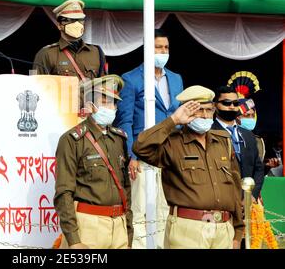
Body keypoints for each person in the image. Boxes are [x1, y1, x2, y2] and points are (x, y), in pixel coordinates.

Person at [134, 85, 244, 249]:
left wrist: (238, 230)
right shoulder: (172, 142)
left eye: (209, 110)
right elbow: (140, 147)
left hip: (223, 230)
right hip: (188, 229)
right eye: (198, 110)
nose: (205, 115)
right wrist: (173, 121)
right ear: (185, 111)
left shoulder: (223, 141)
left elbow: (233, 188)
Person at [113, 29, 183, 248]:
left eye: (166, 48)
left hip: (171, 155)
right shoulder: (131, 79)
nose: (163, 51)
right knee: (141, 211)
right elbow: (124, 121)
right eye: (158, 47)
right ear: (147, 49)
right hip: (142, 156)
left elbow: (179, 118)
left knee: (167, 210)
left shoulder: (176, 78)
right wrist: (131, 155)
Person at [54, 75, 133, 249]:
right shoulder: (72, 139)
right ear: (90, 104)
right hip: (88, 227)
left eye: (113, 102)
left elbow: (126, 190)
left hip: (118, 227)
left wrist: (128, 233)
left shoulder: (119, 139)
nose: (110, 107)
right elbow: (63, 193)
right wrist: (74, 240)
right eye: (103, 101)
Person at [32, 0, 106, 81]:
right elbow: (35, 88)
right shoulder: (46, 54)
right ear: (59, 25)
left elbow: (104, 87)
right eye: (70, 20)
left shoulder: (96, 52)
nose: (77, 24)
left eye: (80, 20)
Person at [211, 86, 264, 199]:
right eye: (226, 103)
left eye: (235, 104)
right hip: (220, 200)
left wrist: (252, 195)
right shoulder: (208, 133)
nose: (231, 107)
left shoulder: (248, 135)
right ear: (215, 105)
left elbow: (258, 168)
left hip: (248, 201)